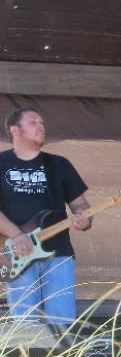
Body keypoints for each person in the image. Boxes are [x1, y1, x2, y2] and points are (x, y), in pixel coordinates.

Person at [0, 107, 92, 328]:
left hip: (58, 254)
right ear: (15, 130)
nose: (41, 126)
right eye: (33, 122)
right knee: (25, 327)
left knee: (63, 325)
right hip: (17, 255)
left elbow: (80, 204)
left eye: (42, 122)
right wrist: (17, 235)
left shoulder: (59, 165)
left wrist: (84, 218)